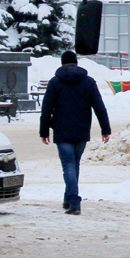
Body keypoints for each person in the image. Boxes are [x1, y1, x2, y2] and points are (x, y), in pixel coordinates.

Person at [40, 51, 111, 215]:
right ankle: (68, 198)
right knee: (74, 164)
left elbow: (46, 108)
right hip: (81, 130)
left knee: (69, 166)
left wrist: (44, 131)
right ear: (76, 63)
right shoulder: (88, 82)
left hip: (62, 130)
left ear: (62, 63)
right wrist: (105, 129)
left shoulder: (55, 82)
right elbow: (99, 107)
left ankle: (73, 201)